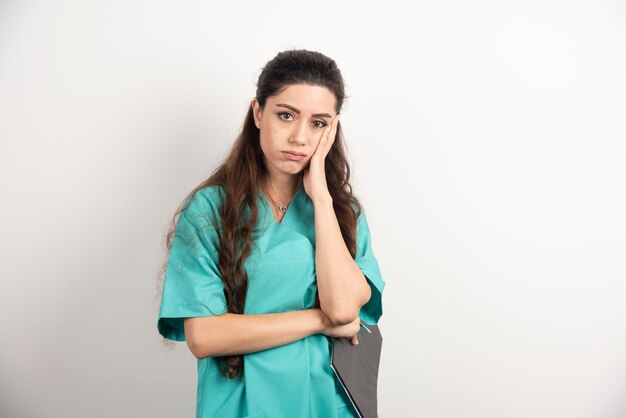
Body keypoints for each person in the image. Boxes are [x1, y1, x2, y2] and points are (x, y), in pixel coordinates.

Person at [156, 49, 385, 418]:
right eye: (286, 115)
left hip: (328, 402)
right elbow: (204, 337)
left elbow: (345, 307)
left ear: (333, 128)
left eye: (318, 123)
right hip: (241, 403)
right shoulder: (211, 208)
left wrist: (322, 199)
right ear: (258, 113)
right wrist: (321, 320)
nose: (299, 137)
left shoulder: (342, 213)